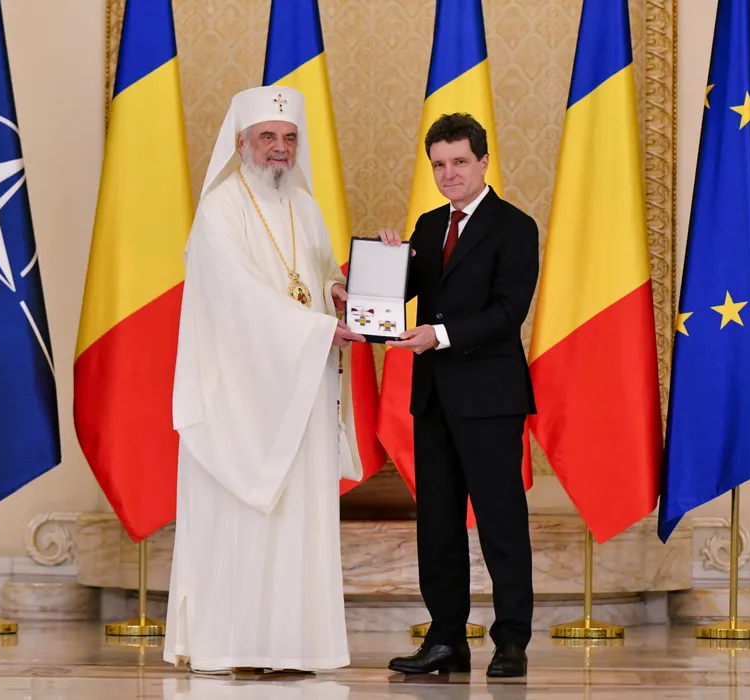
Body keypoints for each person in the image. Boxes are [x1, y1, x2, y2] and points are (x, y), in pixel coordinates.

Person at [164, 85, 365, 674]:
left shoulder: (304, 205)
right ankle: (233, 646)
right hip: (239, 398)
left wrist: (336, 292)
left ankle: (295, 646)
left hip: (300, 389)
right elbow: (235, 298)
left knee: (300, 518)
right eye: (268, 136)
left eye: (289, 137)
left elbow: (317, 274)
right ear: (241, 142)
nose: (280, 147)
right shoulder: (220, 208)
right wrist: (317, 330)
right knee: (242, 518)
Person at [380, 113, 539, 678]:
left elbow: (507, 312)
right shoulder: (427, 226)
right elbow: (401, 295)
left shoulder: (515, 227)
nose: (449, 173)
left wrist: (440, 336)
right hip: (434, 399)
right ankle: (446, 638)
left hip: (491, 399)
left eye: (459, 162)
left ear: (483, 162)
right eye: (439, 164)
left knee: (501, 523)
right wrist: (384, 266)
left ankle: (512, 641)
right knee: (438, 526)